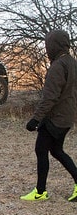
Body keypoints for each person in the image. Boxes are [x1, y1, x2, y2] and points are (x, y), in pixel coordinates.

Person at [22, 29, 77, 202]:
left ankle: (40, 192)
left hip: (56, 118)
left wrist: (35, 119)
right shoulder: (72, 63)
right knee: (56, 150)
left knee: (41, 149)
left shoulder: (57, 66)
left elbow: (50, 98)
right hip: (67, 117)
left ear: (53, 46)